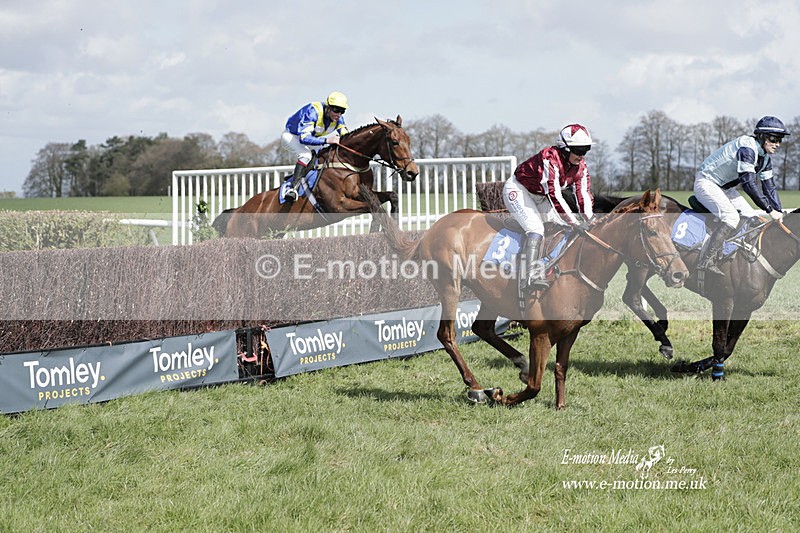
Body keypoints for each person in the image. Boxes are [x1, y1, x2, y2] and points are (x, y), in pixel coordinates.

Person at [694, 116, 791, 275]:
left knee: (751, 217)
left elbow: (769, 188)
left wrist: (779, 211)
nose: (777, 144)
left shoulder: (765, 159)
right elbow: (748, 183)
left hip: (724, 188)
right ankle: (706, 260)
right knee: (731, 217)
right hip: (707, 183)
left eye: (780, 140)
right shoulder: (747, 148)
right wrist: (769, 210)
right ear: (762, 136)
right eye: (774, 139)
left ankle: (735, 255)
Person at [503, 124, 594, 290]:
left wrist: (591, 220)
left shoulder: (581, 167)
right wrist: (576, 222)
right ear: (565, 149)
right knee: (536, 229)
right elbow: (554, 194)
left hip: (540, 196)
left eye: (585, 150)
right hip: (519, 190)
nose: (582, 156)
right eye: (578, 150)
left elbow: (584, 194)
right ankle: (528, 275)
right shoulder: (549, 158)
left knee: (563, 227)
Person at [281, 91, 350, 202]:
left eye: (342, 111)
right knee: (306, 155)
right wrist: (327, 140)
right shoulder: (313, 112)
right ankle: (293, 189)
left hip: (311, 139)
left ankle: (308, 180)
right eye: (336, 110)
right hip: (292, 136)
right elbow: (303, 138)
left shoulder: (338, 119)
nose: (338, 114)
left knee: (324, 155)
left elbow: (346, 136)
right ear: (328, 107)